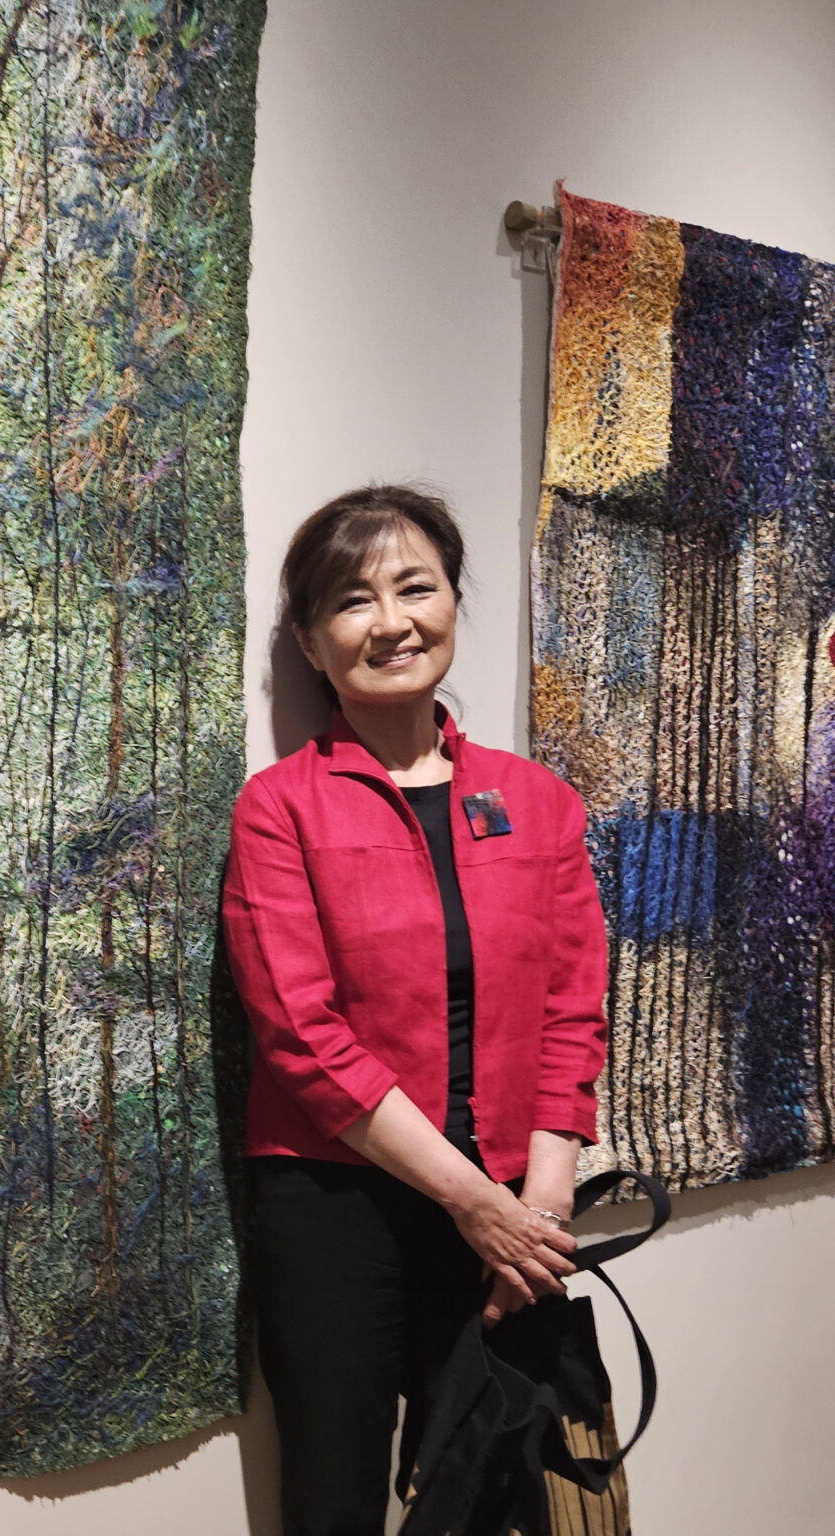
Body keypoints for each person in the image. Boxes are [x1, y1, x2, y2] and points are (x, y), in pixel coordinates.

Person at [221, 485, 609, 1536]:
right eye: (353, 600)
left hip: (514, 1199)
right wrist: (472, 1201)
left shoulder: (538, 801)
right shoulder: (280, 809)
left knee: (489, 1490)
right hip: (338, 1206)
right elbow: (301, 1034)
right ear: (312, 642)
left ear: (452, 603)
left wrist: (541, 1205)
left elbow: (573, 1008)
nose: (391, 621)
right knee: (337, 1500)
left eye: (414, 587)